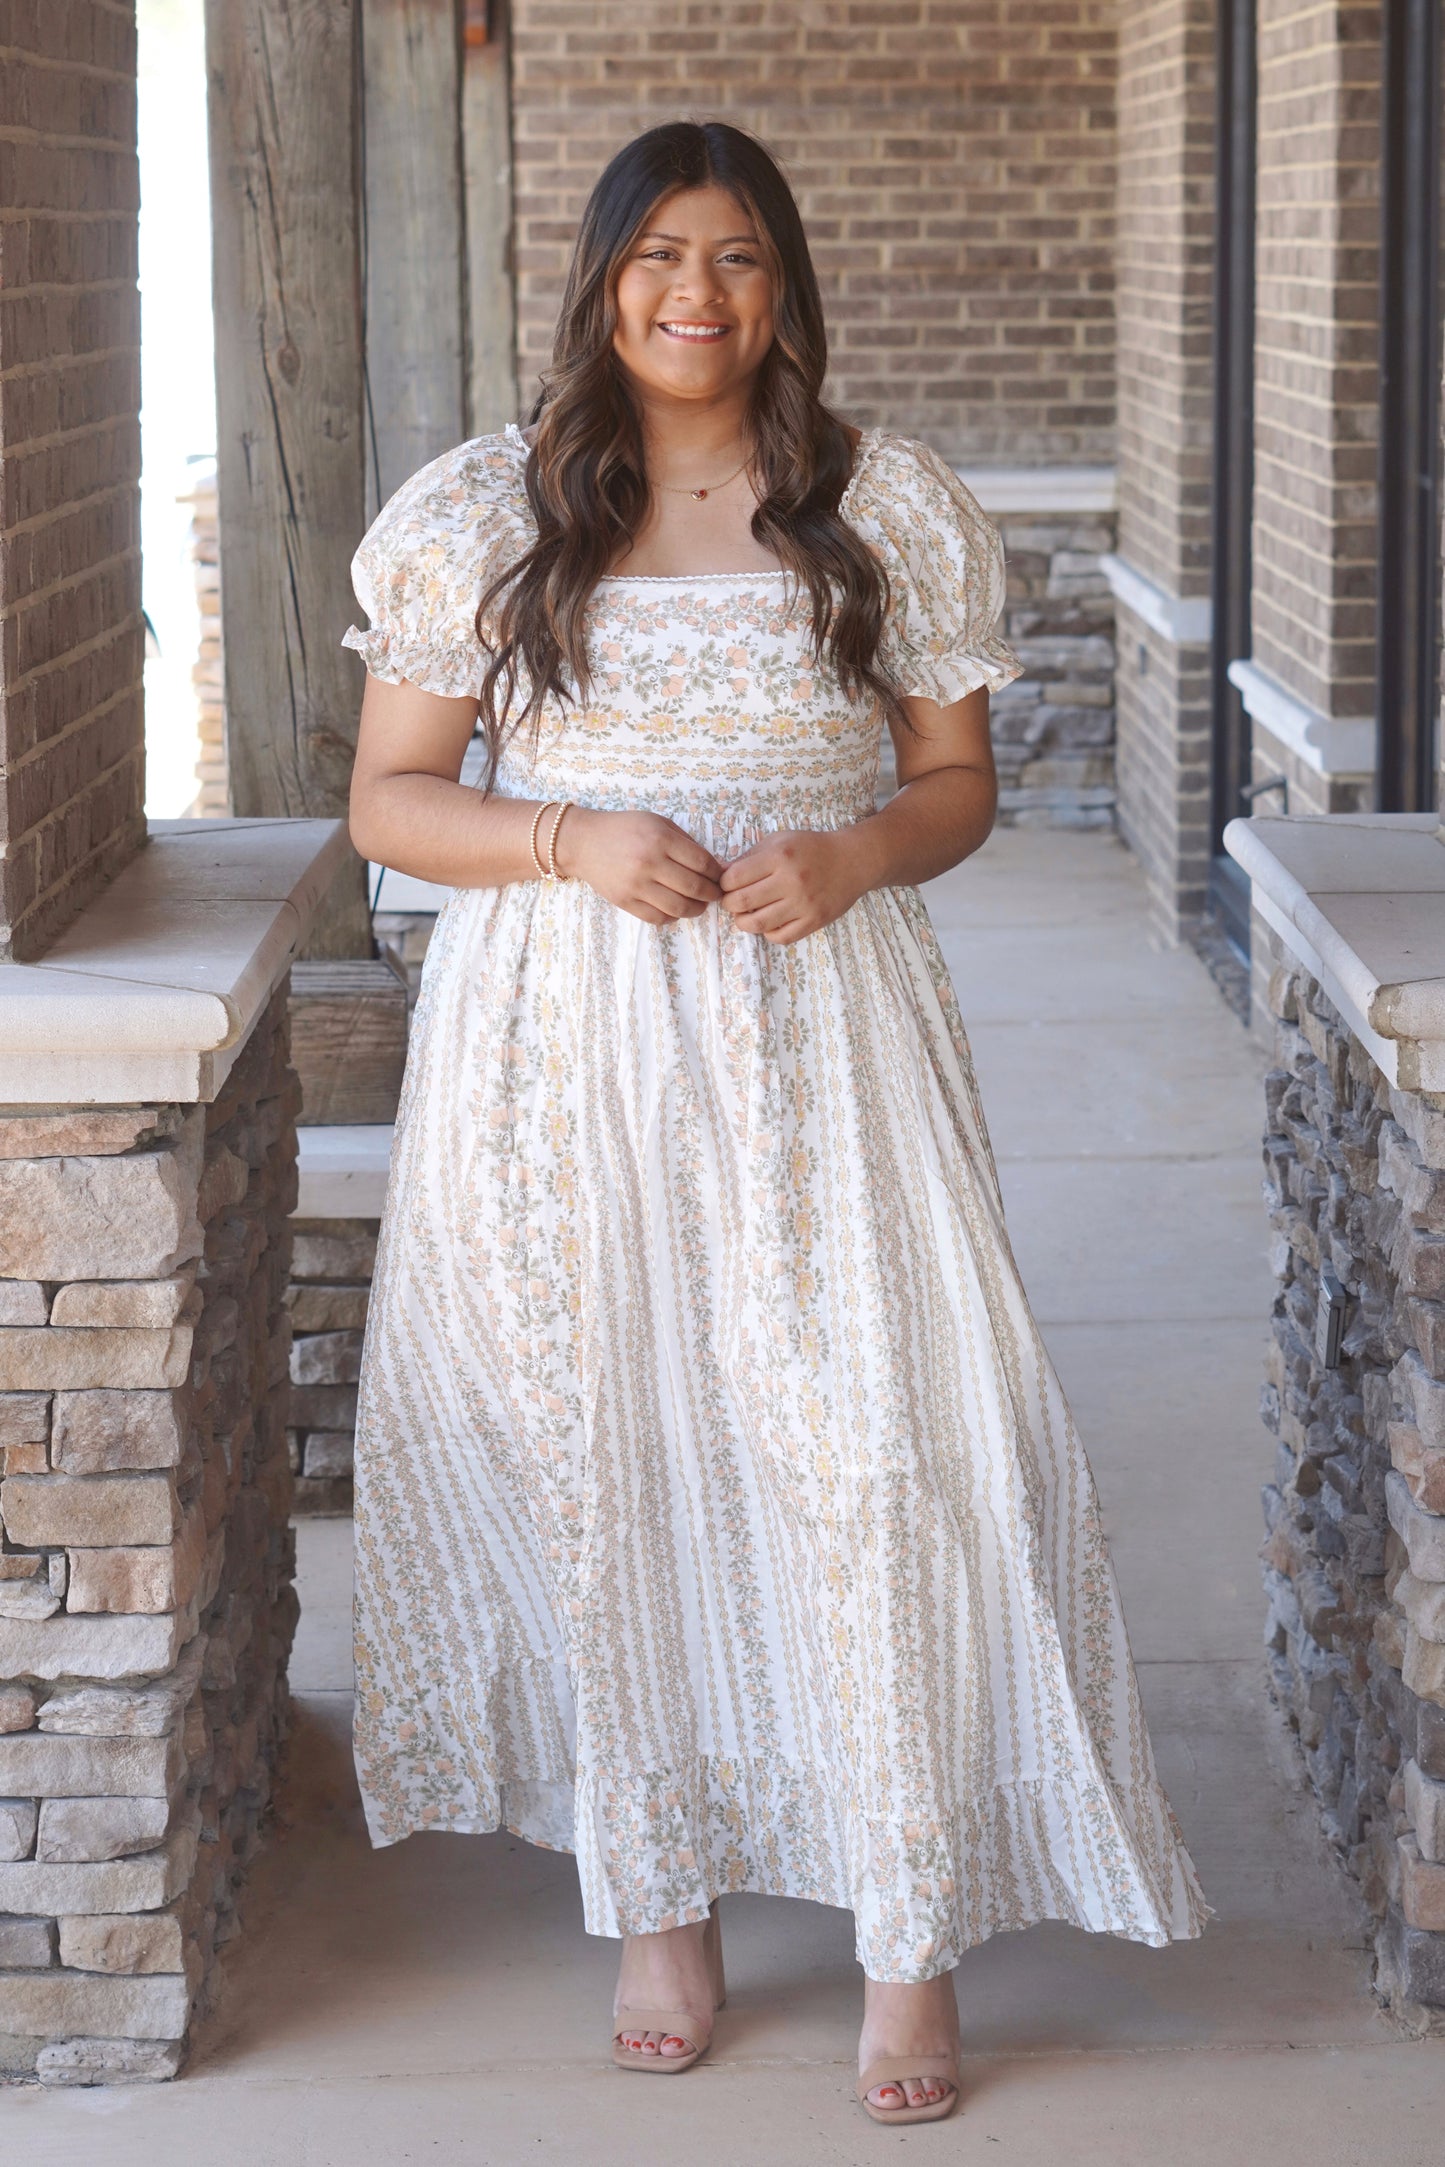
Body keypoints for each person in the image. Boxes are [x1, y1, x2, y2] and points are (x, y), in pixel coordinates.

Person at [343, 118, 1211, 2128]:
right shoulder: (485, 507)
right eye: (659, 255)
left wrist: (851, 856)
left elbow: (956, 782)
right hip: (566, 1054)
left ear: (784, 283)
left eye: (735, 258)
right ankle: (663, 1903)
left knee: (883, 1442)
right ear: (599, 276)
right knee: (615, 1443)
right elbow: (393, 799)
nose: (696, 296)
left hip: (825, 1034)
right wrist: (564, 835)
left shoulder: (880, 499)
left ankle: (910, 1933)